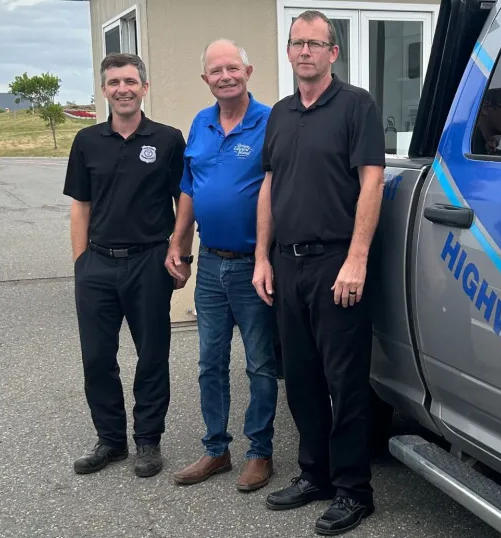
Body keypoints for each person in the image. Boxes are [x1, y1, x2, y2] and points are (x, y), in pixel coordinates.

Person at [252, 10, 385, 536]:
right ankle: (317, 475)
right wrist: (263, 256)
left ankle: (355, 490)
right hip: (287, 263)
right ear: (287, 52)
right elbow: (269, 186)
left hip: (337, 263)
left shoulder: (356, 106)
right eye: (296, 43)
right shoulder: (280, 114)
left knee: (344, 381)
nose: (304, 51)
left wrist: (357, 258)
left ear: (333, 53)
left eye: (315, 43)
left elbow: (370, 181)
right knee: (301, 379)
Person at [63, 52, 186, 479]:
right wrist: (81, 263)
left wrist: (179, 253)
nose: (123, 89)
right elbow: (81, 205)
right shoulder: (87, 140)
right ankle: (110, 441)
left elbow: (182, 203)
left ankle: (148, 441)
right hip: (97, 264)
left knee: (152, 356)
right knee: (98, 358)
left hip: (149, 262)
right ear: (104, 90)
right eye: (114, 82)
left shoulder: (168, 140)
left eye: (130, 81)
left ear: (144, 87)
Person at [167, 38, 279, 493]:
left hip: (254, 265)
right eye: (216, 71)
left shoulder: (271, 122)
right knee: (209, 362)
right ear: (206, 79)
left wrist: (265, 258)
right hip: (211, 263)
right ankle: (216, 448)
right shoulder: (200, 123)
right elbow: (190, 188)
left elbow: (278, 189)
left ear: (248, 72)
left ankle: (260, 452)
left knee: (259, 363)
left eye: (233, 67)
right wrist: (179, 245)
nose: (225, 76)